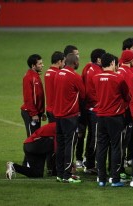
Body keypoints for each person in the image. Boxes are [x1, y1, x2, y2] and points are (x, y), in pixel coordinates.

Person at [93, 53, 130, 187]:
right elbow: (127, 96)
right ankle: (115, 179)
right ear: (113, 63)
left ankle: (101, 179)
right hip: (115, 117)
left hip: (100, 117)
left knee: (101, 148)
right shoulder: (118, 78)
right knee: (116, 148)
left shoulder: (95, 77)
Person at [53, 53, 85, 183]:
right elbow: (83, 95)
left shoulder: (57, 74)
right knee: (69, 145)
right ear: (75, 63)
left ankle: (60, 174)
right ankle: (67, 175)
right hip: (70, 116)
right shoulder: (75, 76)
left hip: (58, 115)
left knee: (60, 145)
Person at [81, 48, 106, 174]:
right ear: (99, 59)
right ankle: (90, 164)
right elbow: (93, 92)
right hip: (95, 109)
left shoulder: (87, 67)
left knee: (91, 136)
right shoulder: (96, 72)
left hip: (88, 108)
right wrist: (99, 104)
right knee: (95, 139)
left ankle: (88, 162)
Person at [45, 51, 65, 123]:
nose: (64, 64)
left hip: (49, 108)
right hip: (56, 110)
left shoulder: (48, 72)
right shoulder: (57, 74)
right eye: (63, 62)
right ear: (59, 61)